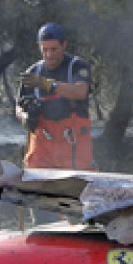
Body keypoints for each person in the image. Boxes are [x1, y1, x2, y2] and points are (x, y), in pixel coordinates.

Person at [17, 22, 96, 170]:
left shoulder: (77, 66)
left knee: (75, 183)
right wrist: (25, 118)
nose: (49, 55)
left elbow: (80, 92)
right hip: (42, 141)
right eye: (44, 49)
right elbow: (18, 106)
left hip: (72, 140)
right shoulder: (32, 71)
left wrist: (47, 84)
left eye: (54, 49)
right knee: (34, 182)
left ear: (64, 45)